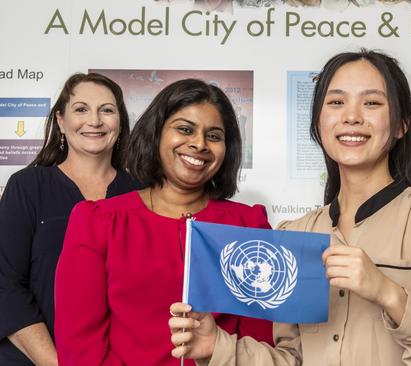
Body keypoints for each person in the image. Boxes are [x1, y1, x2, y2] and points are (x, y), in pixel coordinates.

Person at [168, 50, 411, 365]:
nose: (351, 116)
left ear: (401, 124)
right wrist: (217, 347)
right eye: (336, 102)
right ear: (318, 121)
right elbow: (292, 358)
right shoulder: (296, 234)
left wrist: (389, 293)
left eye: (371, 102)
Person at [54, 79, 273, 365]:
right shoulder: (99, 222)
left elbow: (261, 342)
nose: (199, 144)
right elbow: (80, 348)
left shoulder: (249, 226)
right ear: (156, 134)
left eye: (214, 136)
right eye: (185, 129)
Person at [0, 73, 138, 366]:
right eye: (81, 109)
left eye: (107, 110)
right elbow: (5, 284)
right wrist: (55, 363)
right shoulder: (27, 186)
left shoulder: (142, 194)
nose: (95, 120)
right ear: (61, 121)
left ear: (120, 123)